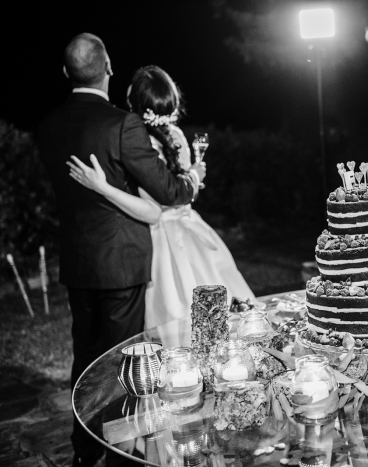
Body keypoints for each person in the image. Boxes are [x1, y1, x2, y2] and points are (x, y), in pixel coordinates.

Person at [38, 34, 205, 467]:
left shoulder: (49, 125)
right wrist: (191, 179)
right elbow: (168, 190)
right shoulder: (121, 125)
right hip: (122, 263)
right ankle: (116, 455)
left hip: (77, 262)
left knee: (85, 358)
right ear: (108, 67)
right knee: (118, 364)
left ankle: (84, 450)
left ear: (65, 73)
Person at [68, 65, 255, 349]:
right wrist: (194, 177)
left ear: (137, 102)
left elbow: (159, 198)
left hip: (158, 233)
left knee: (172, 309)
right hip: (190, 225)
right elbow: (183, 192)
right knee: (209, 302)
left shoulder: (135, 140)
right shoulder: (176, 135)